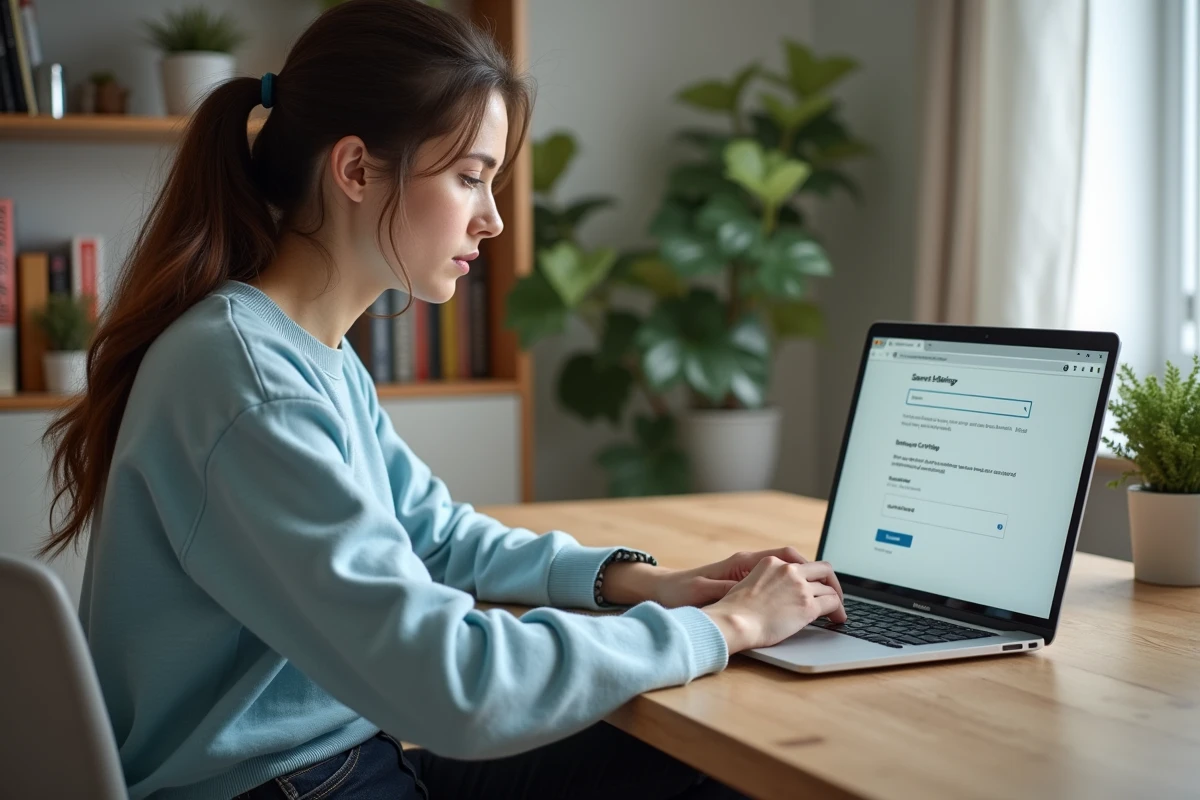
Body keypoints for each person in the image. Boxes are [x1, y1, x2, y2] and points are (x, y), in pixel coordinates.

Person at [40, 1, 847, 798]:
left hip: (338, 762)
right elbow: (455, 685)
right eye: (470, 178)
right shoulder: (250, 382)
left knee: (689, 763)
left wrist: (647, 584)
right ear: (355, 170)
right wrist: (729, 625)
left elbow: (433, 536)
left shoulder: (301, 351)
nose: (492, 220)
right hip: (285, 787)